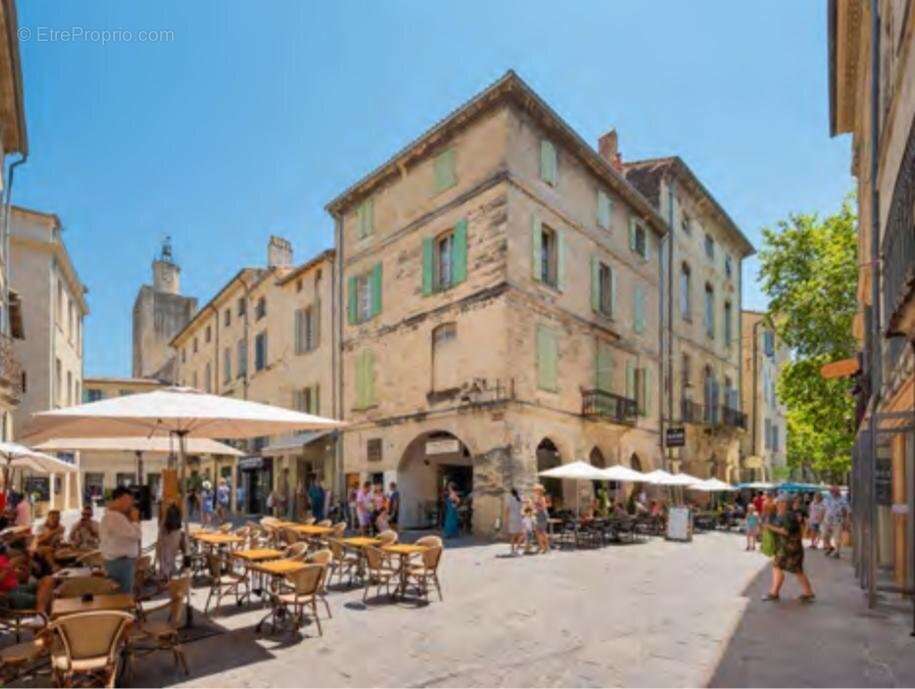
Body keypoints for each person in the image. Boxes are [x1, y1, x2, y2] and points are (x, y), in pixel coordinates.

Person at [762, 495, 815, 603]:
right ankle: (808, 593)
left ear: (786, 504)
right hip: (791, 548)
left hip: (790, 549)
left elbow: (785, 531)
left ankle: (774, 593)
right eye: (778, 503)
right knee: (795, 570)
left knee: (779, 567)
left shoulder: (788, 515)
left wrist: (770, 527)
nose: (778, 505)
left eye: (780, 502)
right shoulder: (787, 515)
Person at [100, 486, 142, 594]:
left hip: (119, 563)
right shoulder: (115, 517)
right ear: (121, 498)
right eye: (130, 499)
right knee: (124, 598)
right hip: (121, 564)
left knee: (121, 596)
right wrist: (136, 519)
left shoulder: (114, 516)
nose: (132, 503)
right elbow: (136, 535)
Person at [156, 503, 185, 580]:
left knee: (166, 558)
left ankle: (166, 576)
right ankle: (167, 575)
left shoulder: (165, 523)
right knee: (170, 558)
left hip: (167, 543)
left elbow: (161, 529)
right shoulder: (177, 527)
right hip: (172, 540)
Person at [822, 485, 849, 559]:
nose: (832, 492)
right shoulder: (827, 498)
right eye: (831, 491)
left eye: (834, 491)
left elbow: (845, 510)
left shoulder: (843, 499)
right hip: (827, 520)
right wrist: (822, 519)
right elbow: (824, 508)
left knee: (837, 537)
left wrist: (846, 521)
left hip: (837, 521)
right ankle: (830, 547)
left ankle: (837, 552)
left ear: (838, 492)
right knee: (824, 536)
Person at [504, 488, 524, 555]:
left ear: (511, 493)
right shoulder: (520, 499)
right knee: (520, 534)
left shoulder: (510, 499)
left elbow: (507, 510)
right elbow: (522, 508)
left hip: (512, 518)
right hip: (519, 517)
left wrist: (506, 519)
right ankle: (517, 549)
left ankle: (512, 550)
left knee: (513, 535)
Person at [531, 484, 550, 554]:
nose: (534, 491)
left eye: (536, 490)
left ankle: (546, 547)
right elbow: (534, 506)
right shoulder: (537, 498)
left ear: (540, 491)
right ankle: (542, 546)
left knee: (542, 532)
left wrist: (536, 508)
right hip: (538, 515)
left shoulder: (542, 498)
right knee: (537, 531)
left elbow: (543, 507)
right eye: (534, 490)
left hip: (542, 515)